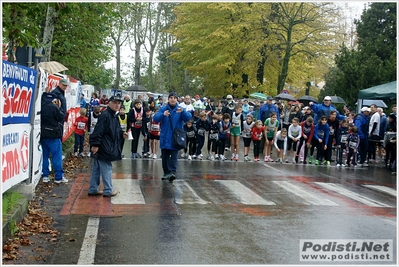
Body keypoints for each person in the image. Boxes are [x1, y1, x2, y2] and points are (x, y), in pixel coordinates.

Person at [88, 95, 127, 197]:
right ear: (109, 103)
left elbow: (115, 130)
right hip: (104, 146)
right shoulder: (105, 115)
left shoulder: (113, 116)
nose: (117, 105)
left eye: (119, 103)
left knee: (97, 168)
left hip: (105, 145)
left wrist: (122, 133)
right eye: (115, 102)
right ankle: (108, 189)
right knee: (106, 167)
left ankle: (93, 188)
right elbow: (98, 131)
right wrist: (95, 144)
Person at [153, 92, 192, 182]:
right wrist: (163, 115)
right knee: (165, 157)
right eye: (171, 97)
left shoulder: (180, 109)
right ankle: (166, 172)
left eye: (175, 97)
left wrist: (183, 112)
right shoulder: (163, 109)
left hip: (175, 138)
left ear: (177, 99)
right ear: (168, 99)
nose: (173, 99)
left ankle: (172, 172)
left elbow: (188, 118)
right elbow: (155, 118)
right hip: (165, 137)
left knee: (174, 156)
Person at [40, 91, 67, 184]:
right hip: (54, 135)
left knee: (44, 156)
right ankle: (58, 177)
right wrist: (60, 107)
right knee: (57, 156)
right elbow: (61, 117)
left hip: (43, 134)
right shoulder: (54, 108)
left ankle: (45, 175)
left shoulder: (40, 107)